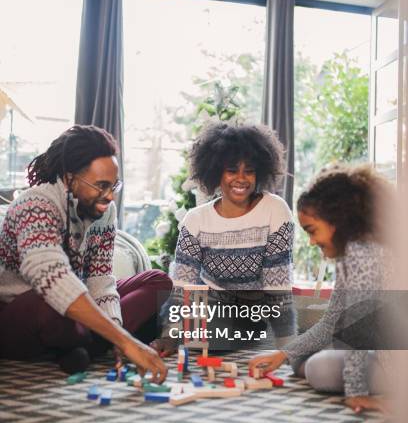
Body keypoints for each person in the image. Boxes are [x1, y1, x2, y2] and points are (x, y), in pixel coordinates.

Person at [0, 125, 171, 381]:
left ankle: (81, 345)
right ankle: (89, 344)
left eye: (114, 186)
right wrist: (126, 341)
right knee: (50, 301)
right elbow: (53, 279)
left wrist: (115, 325)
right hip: (20, 313)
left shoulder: (105, 212)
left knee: (157, 281)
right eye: (101, 185)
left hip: (72, 311)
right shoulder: (35, 204)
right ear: (70, 179)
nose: (110, 196)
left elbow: (100, 278)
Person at [249, 164, 393, 414]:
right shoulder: (349, 255)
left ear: (337, 222)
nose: (312, 241)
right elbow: (331, 323)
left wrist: (356, 392)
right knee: (299, 358)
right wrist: (282, 354)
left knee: (318, 369)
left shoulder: (363, 254)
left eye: (312, 231)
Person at [152, 122, 297, 356]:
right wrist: (169, 337)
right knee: (173, 312)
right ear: (216, 171)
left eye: (248, 170)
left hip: (251, 311)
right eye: (232, 170)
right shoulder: (195, 219)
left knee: (207, 336)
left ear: (259, 172)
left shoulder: (275, 209)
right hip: (208, 303)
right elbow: (183, 284)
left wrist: (287, 347)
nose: (241, 178)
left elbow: (277, 286)